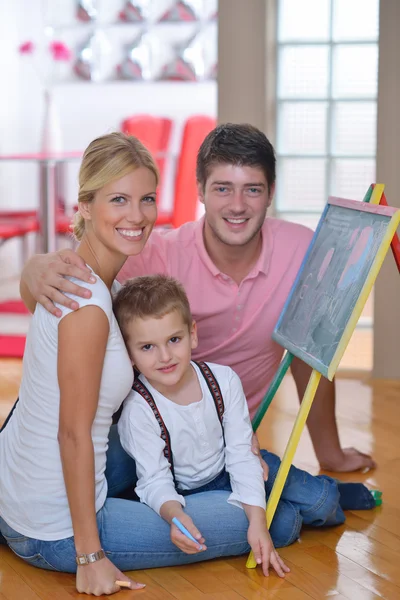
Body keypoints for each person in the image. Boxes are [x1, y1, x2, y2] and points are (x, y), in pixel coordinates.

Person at [20, 123, 376, 473]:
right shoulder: (155, 253)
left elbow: (309, 355)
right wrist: (31, 272)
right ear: (201, 191)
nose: (237, 205)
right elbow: (71, 291)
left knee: (290, 512)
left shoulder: (301, 251)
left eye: (252, 190)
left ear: (271, 192)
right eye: (222, 189)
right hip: (145, 438)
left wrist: (330, 454)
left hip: (225, 444)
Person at [0, 132, 258, 597]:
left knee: (215, 460)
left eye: (146, 199)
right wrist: (90, 557)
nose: (137, 216)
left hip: (19, 489)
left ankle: (243, 465)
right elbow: (73, 434)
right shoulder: (89, 307)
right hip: (52, 527)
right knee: (268, 519)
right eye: (118, 199)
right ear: (84, 205)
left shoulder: (78, 277)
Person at [112, 274, 377, 577]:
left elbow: (240, 453)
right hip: (195, 495)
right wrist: (174, 516)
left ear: (192, 334)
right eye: (147, 347)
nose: (165, 356)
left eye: (174, 339)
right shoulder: (137, 409)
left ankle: (335, 491)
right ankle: (289, 506)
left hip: (240, 467)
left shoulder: (222, 380)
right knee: (283, 523)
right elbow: (153, 480)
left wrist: (256, 519)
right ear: (129, 354)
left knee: (323, 503)